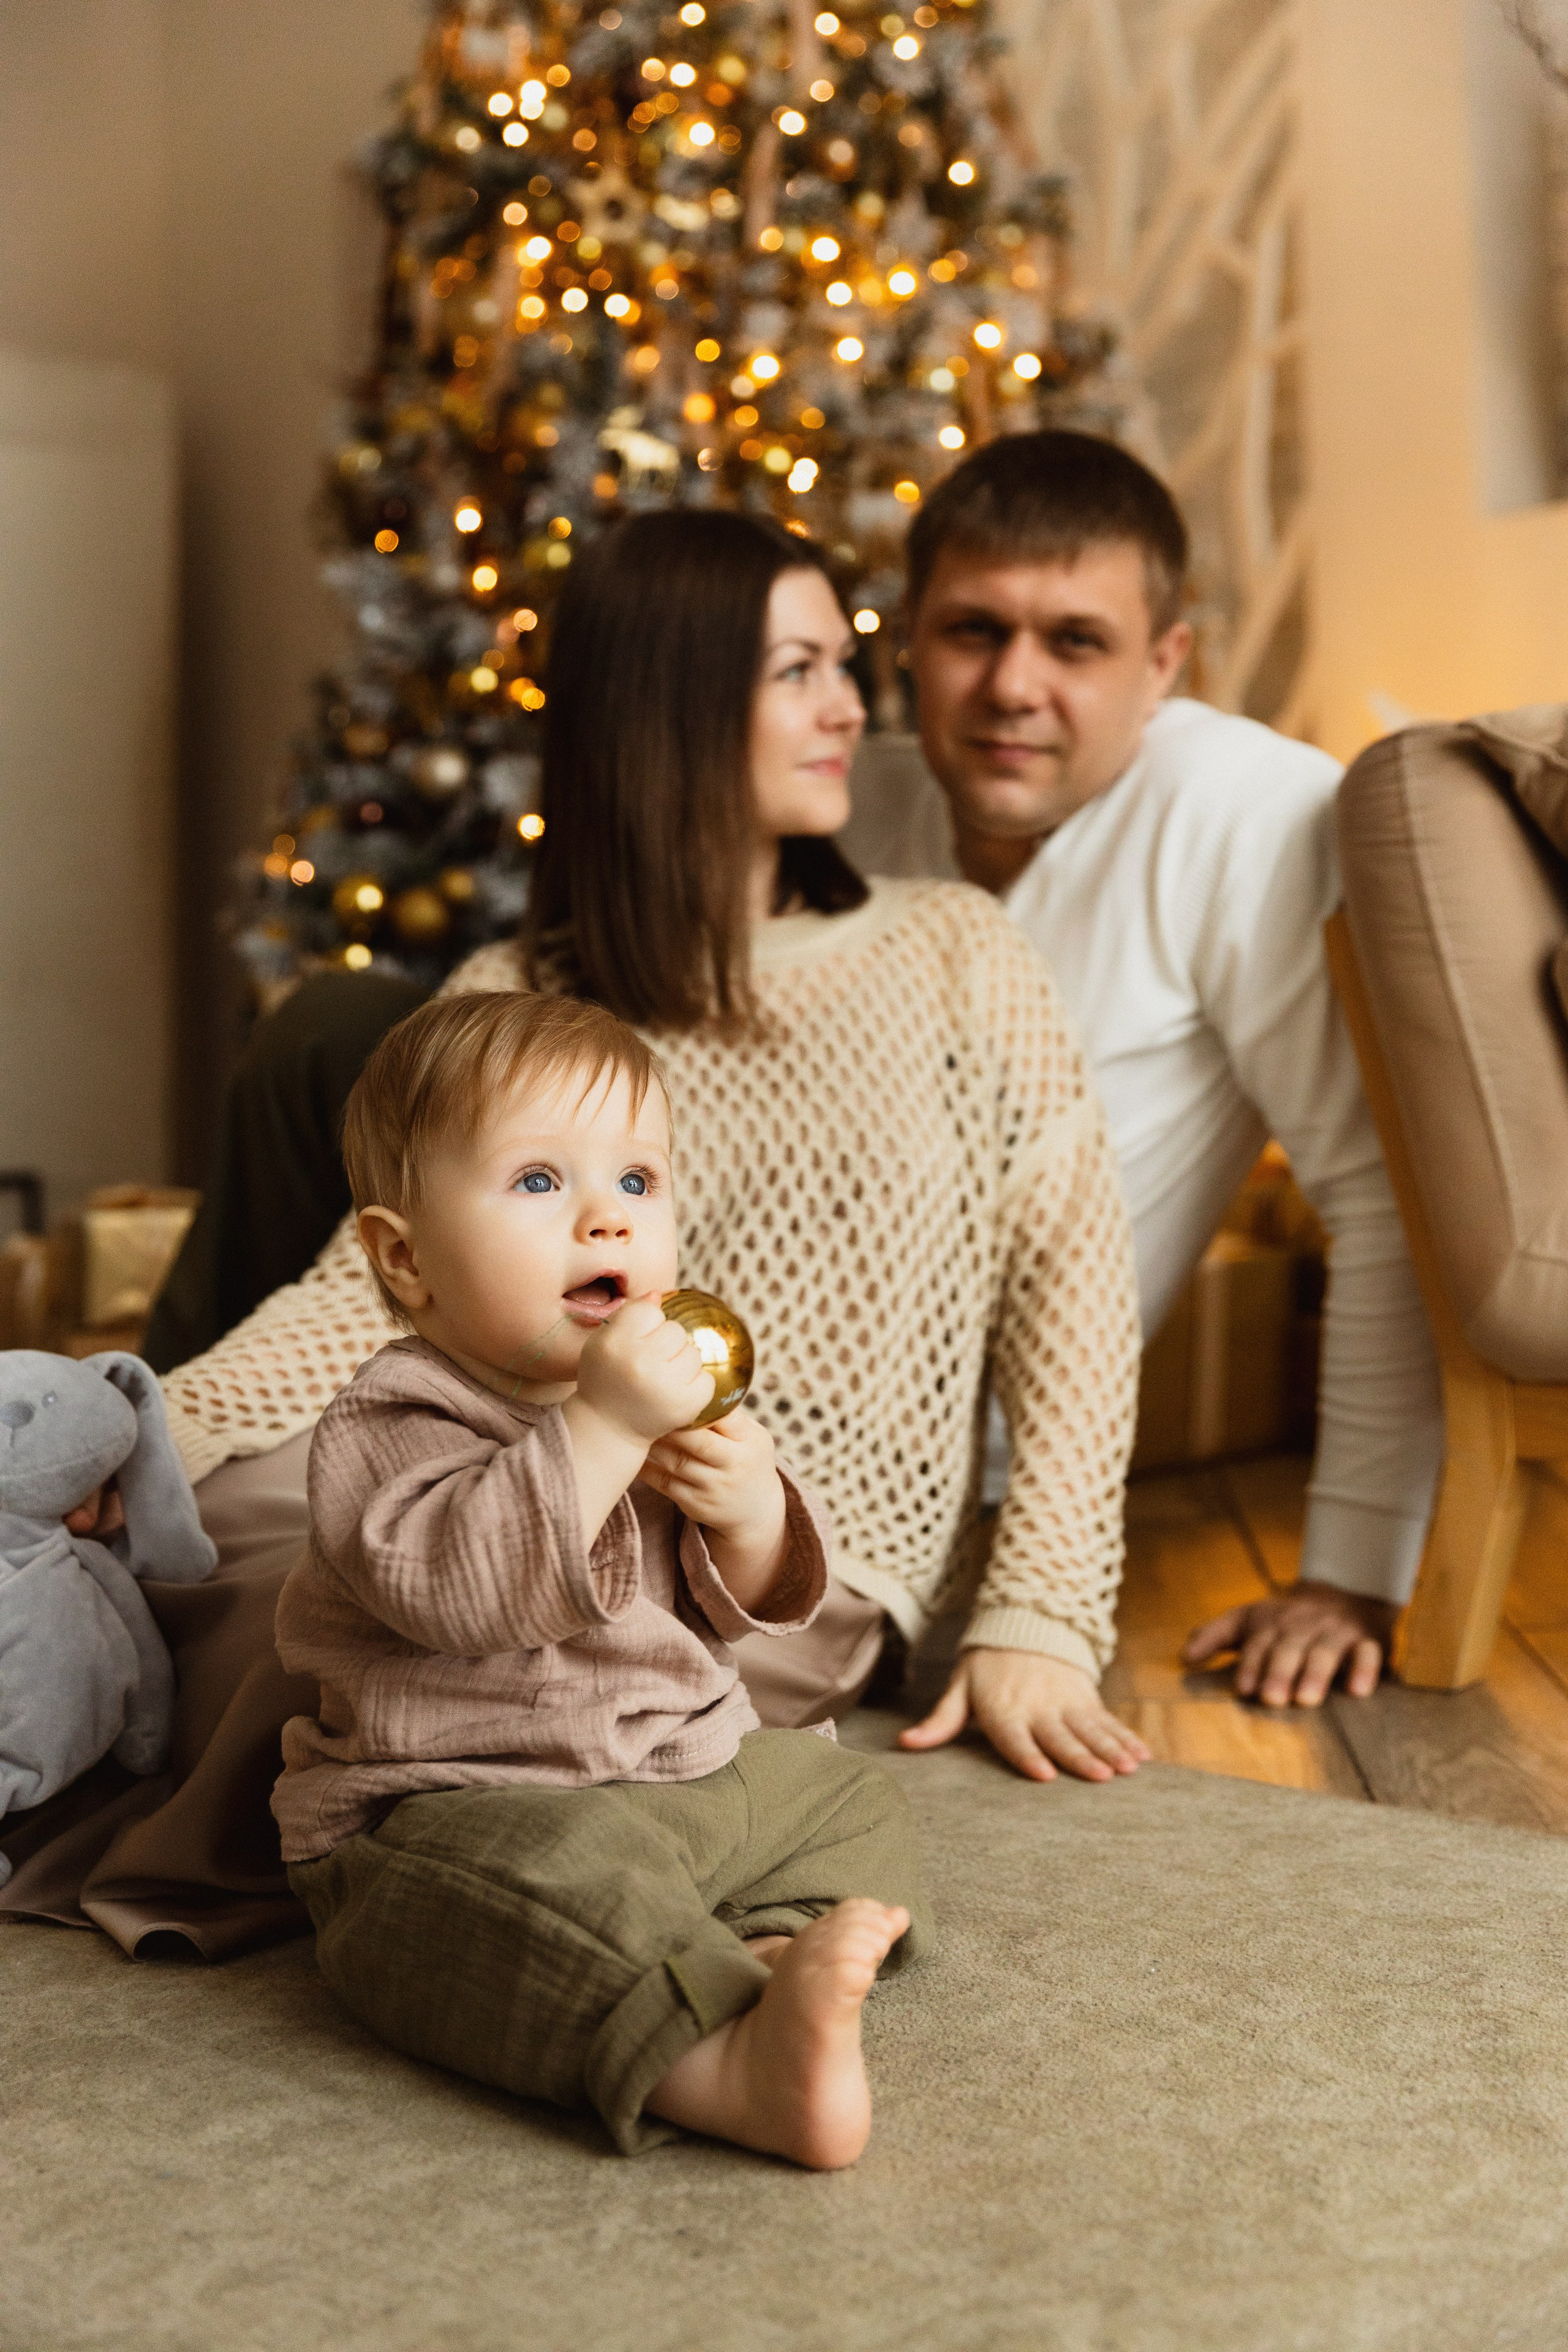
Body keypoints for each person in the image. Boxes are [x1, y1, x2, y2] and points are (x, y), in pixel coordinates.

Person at [157, 508, 1148, 1787]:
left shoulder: (956, 952)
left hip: (753, 1543)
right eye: (798, 673)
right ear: (663, 704)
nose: (848, 709)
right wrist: (155, 1433)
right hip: (483, 1470)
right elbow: (363, 1300)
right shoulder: (508, 988)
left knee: (408, 1690)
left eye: (841, 666)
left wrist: (1044, 1617)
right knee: (206, 1578)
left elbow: (1072, 1292)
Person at [839, 431, 1444, 1709]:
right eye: (970, 631)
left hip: (941, 1496)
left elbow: (1377, 1196)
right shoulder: (849, 802)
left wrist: (1350, 1572)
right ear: (904, 639)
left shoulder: (1242, 811)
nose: (1012, 685)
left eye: (1074, 641)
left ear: (1161, 662)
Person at [278, 987, 925, 2166]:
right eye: (539, 1183)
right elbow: (461, 1594)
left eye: (637, 1183)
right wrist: (602, 1433)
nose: (607, 1222)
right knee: (538, 1891)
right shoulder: (396, 1413)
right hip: (461, 1803)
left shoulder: (642, 1406)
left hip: (669, 1776)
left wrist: (751, 1516)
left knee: (840, 1792)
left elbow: (745, 1612)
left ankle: (761, 1959)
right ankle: (720, 2065)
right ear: (406, 1258)